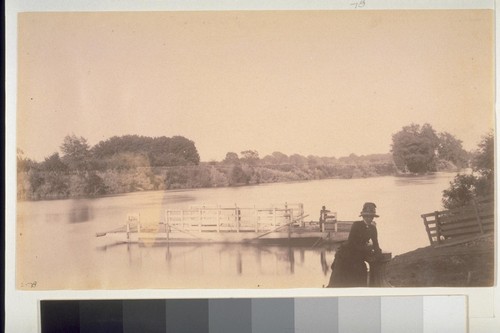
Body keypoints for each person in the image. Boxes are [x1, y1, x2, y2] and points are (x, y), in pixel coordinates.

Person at [327, 202, 382, 287]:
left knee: (360, 276)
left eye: (371, 216)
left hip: (358, 256)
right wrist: (367, 249)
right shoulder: (356, 225)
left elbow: (376, 244)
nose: (369, 218)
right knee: (338, 281)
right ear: (363, 216)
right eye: (366, 216)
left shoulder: (373, 228)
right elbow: (352, 243)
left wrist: (378, 253)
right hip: (346, 255)